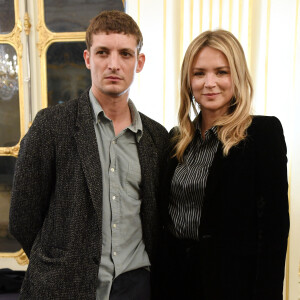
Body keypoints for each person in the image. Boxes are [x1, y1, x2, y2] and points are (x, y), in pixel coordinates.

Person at [9, 10, 168, 300]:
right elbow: (22, 216)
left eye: (125, 54)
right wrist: (59, 265)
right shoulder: (51, 125)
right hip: (65, 287)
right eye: (103, 52)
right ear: (87, 58)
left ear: (139, 62)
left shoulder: (157, 137)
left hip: (136, 287)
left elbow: (156, 219)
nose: (113, 64)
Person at [158, 29, 289, 300]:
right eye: (199, 73)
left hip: (232, 286)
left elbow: (274, 231)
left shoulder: (263, 134)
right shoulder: (175, 139)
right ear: (188, 80)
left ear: (237, 76)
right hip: (175, 282)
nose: (209, 83)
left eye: (221, 72)